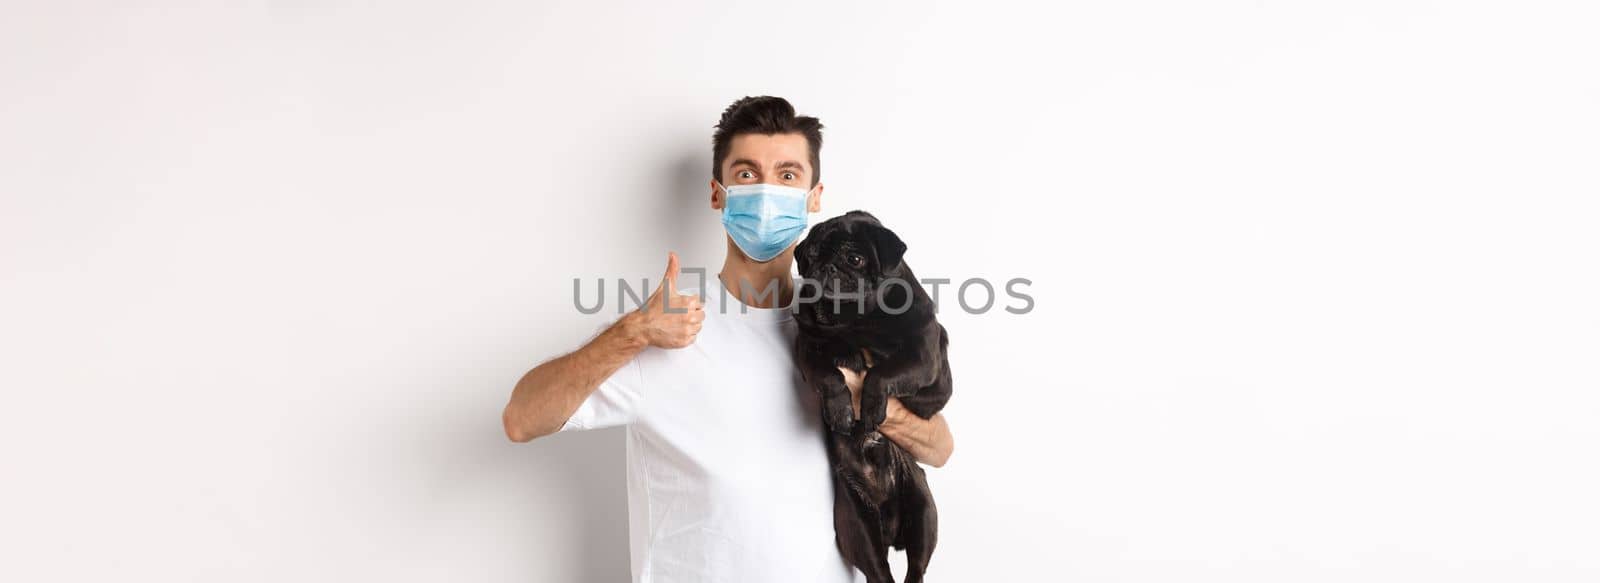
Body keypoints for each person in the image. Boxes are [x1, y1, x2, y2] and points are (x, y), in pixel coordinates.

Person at [501, 96, 955, 583]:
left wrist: (863, 395)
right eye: (745, 174)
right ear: (717, 194)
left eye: (786, 175)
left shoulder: (849, 327)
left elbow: (939, 447)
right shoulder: (667, 328)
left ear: (814, 197)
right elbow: (522, 419)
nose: (765, 192)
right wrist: (630, 334)